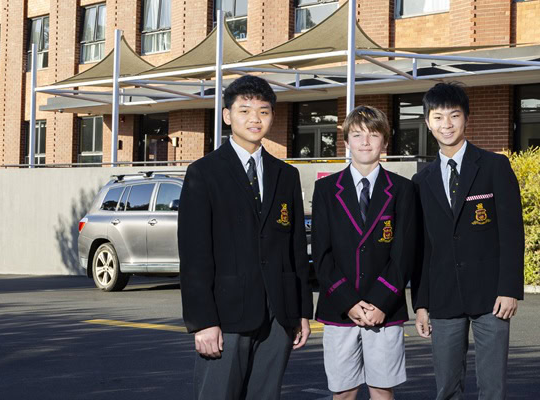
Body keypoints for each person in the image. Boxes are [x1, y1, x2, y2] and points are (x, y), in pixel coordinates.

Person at [179, 75, 312, 399]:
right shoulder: (204, 173)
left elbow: (295, 248)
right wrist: (203, 321)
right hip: (225, 316)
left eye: (263, 111)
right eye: (245, 111)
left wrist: (301, 311)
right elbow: (195, 254)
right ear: (227, 116)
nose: (255, 119)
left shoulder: (286, 175)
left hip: (278, 316)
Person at [411, 82, 525, 400]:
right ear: (428, 122)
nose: (446, 124)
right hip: (443, 297)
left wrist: (509, 289)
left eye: (454, 115)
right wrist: (421, 304)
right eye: (438, 117)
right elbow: (423, 248)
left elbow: (512, 234)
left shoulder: (494, 167)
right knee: (447, 387)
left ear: (466, 119)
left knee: (492, 388)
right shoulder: (421, 181)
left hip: (492, 297)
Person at [311, 105, 418, 400]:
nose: (365, 142)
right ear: (346, 141)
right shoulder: (326, 189)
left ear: (385, 142)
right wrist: (349, 302)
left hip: (385, 307)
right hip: (339, 306)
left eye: (373, 134)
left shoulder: (402, 189)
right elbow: (321, 254)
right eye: (357, 135)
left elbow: (404, 254)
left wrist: (380, 302)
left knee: (382, 391)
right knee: (343, 392)